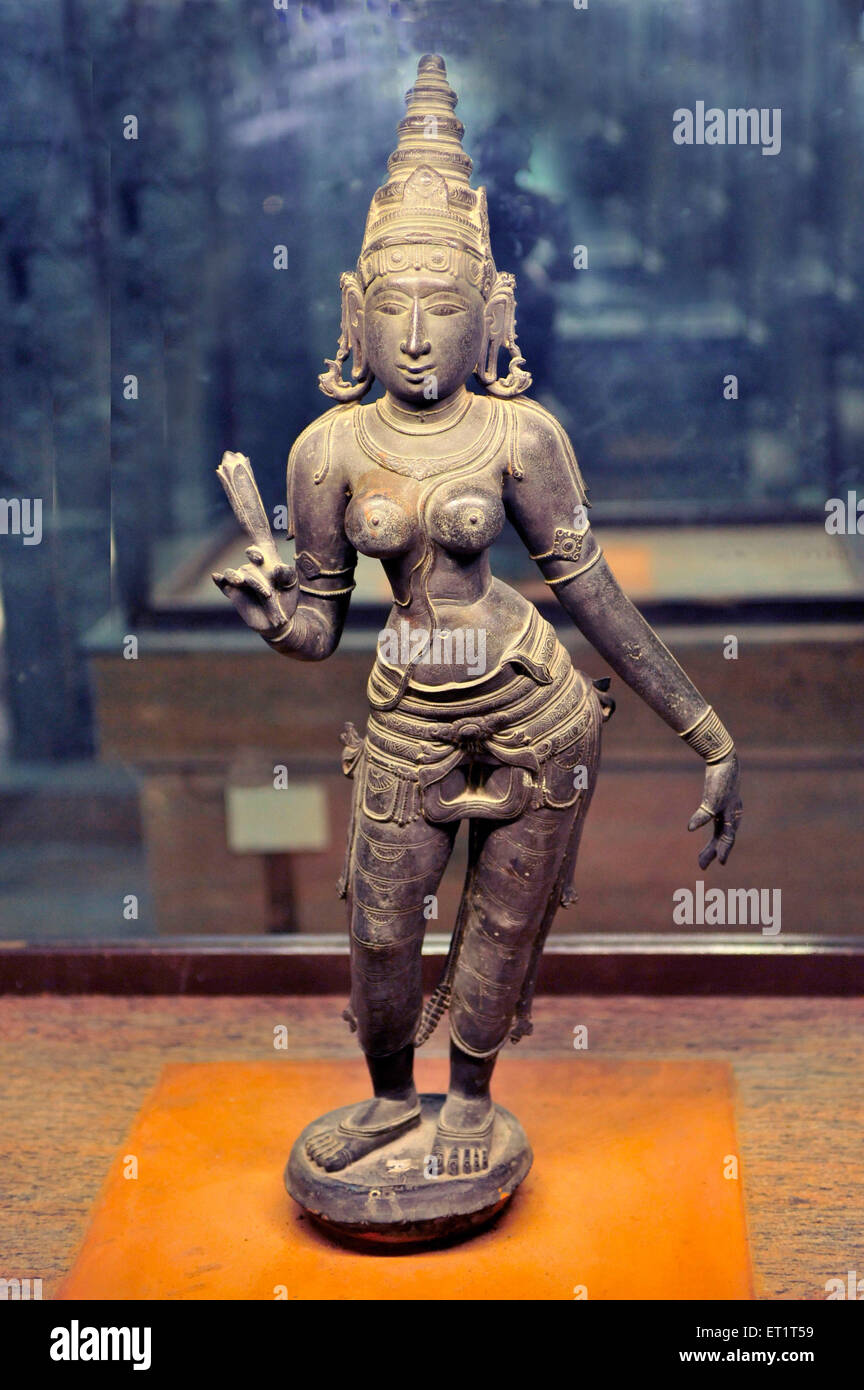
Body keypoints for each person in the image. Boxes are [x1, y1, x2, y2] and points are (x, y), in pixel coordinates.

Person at [213, 55, 742, 1180]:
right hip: (405, 717)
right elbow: (321, 626)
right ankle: (390, 1095)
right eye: (392, 305)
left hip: (535, 713)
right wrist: (272, 613)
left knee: (503, 926)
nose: (415, 335)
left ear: (489, 313)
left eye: (443, 305)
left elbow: (592, 596)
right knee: (381, 933)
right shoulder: (330, 451)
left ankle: (470, 1101)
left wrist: (709, 732)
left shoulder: (521, 438)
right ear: (355, 313)